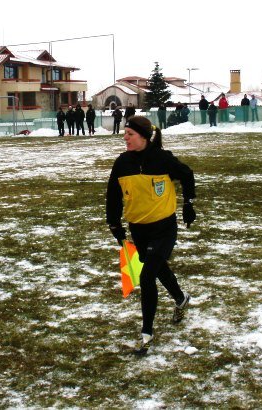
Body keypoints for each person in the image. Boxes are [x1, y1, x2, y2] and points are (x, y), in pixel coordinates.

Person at [106, 115, 196, 356]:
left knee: (147, 277)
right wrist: (114, 224)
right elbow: (113, 195)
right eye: (125, 134)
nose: (125, 138)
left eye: (130, 134)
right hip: (139, 227)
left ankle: (147, 333)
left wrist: (188, 203)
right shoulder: (122, 163)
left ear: (143, 137)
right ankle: (181, 298)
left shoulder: (162, 158)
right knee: (157, 268)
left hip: (164, 227)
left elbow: (187, 174)